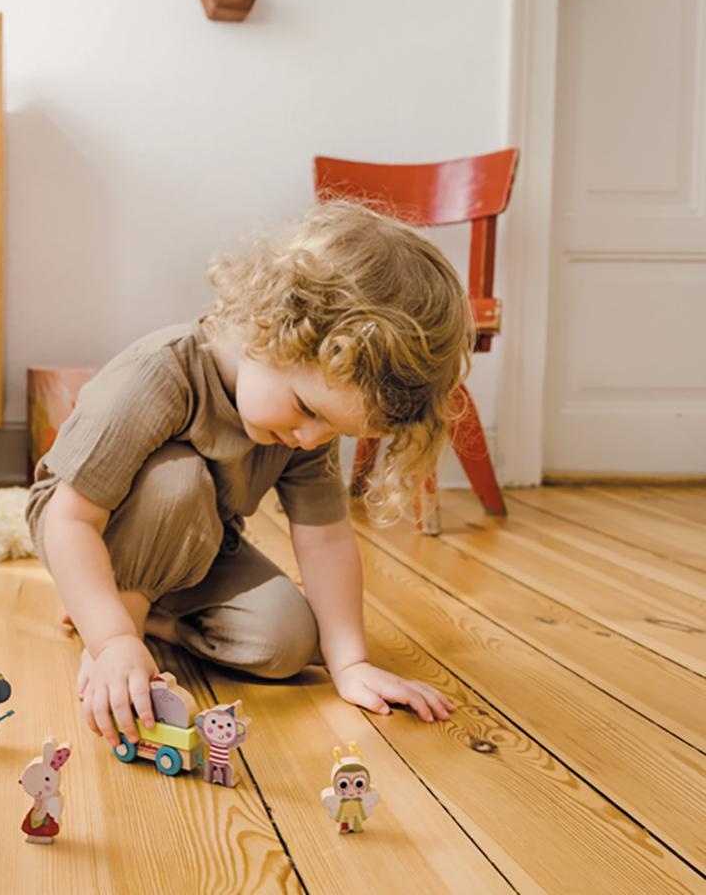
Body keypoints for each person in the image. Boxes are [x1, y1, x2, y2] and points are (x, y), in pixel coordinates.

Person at [26, 200, 472, 748]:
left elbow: (327, 539)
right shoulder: (160, 373)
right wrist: (115, 641)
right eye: (309, 410)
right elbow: (70, 520)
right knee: (178, 482)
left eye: (334, 429)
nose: (311, 439)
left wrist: (350, 664)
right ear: (270, 332)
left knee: (287, 641)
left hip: (201, 545)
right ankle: (117, 621)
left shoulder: (305, 425)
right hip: (84, 526)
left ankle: (138, 611)